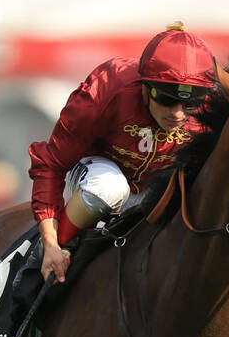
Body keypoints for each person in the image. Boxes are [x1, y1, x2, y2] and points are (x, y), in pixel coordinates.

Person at [28, 22, 217, 283]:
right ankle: (58, 250)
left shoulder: (210, 110)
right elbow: (51, 164)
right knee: (111, 188)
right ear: (144, 86)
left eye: (191, 103)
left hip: (156, 188)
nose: (177, 114)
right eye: (166, 99)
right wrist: (50, 243)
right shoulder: (106, 88)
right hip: (96, 172)